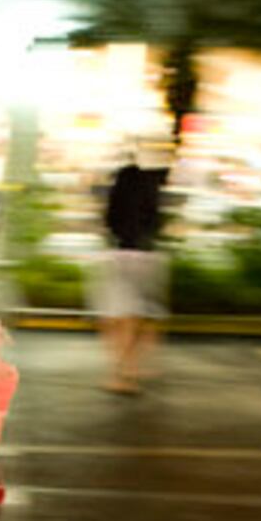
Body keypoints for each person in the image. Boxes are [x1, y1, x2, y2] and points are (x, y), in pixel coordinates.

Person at [95, 141, 172, 394]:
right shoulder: (151, 188)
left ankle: (122, 375)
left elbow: (109, 222)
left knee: (118, 320)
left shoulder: (120, 185)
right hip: (149, 258)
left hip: (121, 256)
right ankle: (137, 367)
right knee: (143, 317)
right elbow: (157, 223)